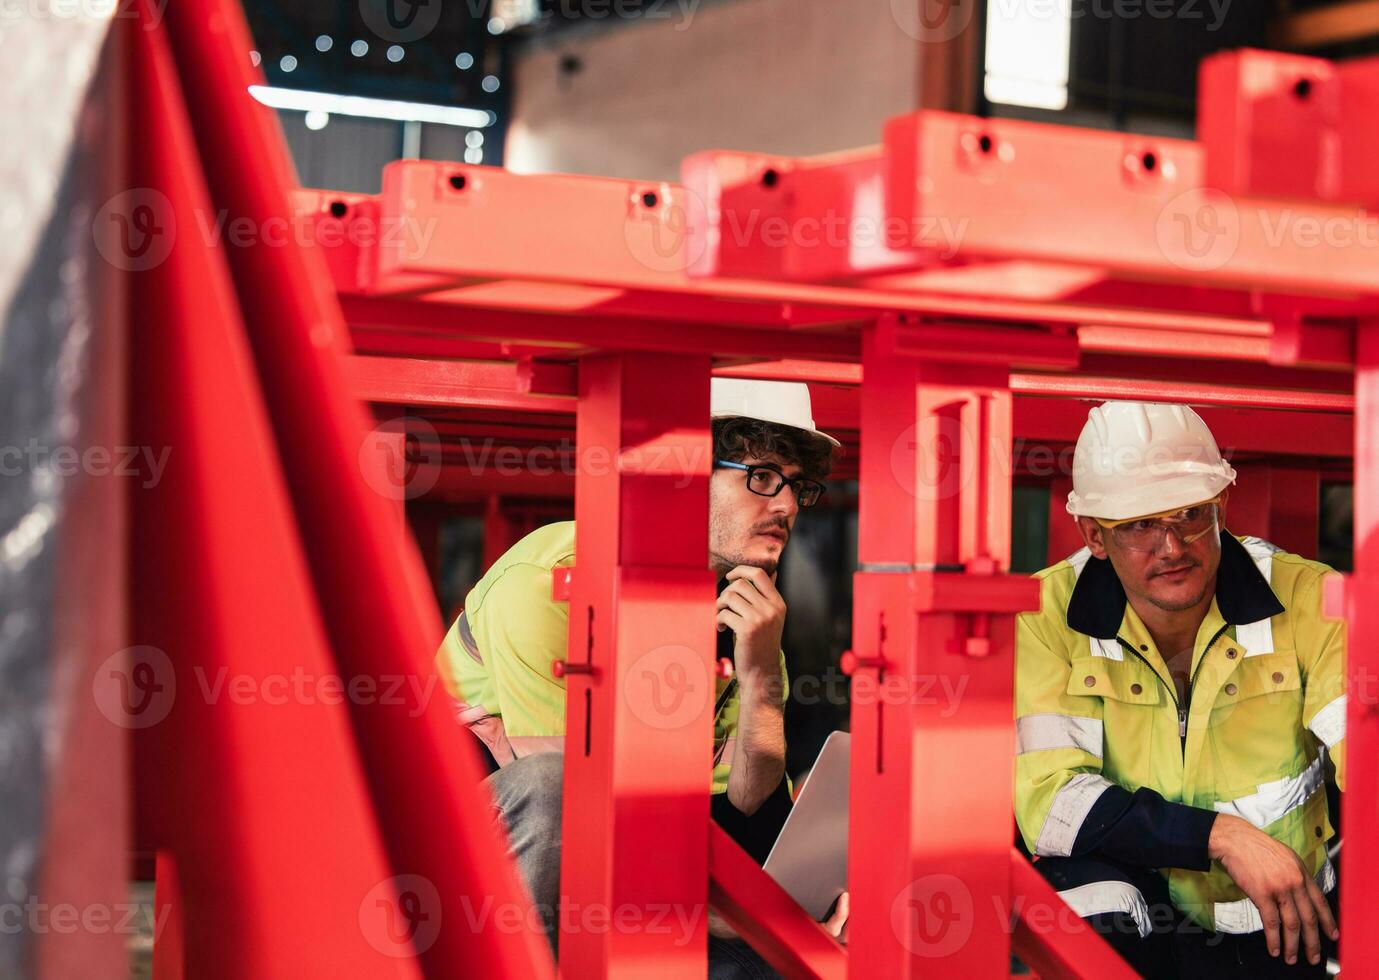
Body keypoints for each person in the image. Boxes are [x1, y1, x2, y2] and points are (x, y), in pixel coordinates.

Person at [436, 377, 844, 977]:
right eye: (761, 477)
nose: (785, 506)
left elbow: (743, 806)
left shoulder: (747, 610)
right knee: (554, 785)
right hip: (453, 865)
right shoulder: (548, 580)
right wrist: (725, 915)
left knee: (796, 963)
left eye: (798, 487)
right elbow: (575, 820)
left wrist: (760, 676)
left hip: (636, 877)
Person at [1015, 401, 1347, 978]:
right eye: (1140, 525)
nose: (1172, 547)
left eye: (1189, 514)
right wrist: (1223, 837)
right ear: (1094, 535)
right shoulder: (1044, 616)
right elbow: (1052, 807)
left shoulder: (1312, 600)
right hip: (1132, 916)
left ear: (1221, 506)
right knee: (1080, 893)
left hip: (1280, 920)